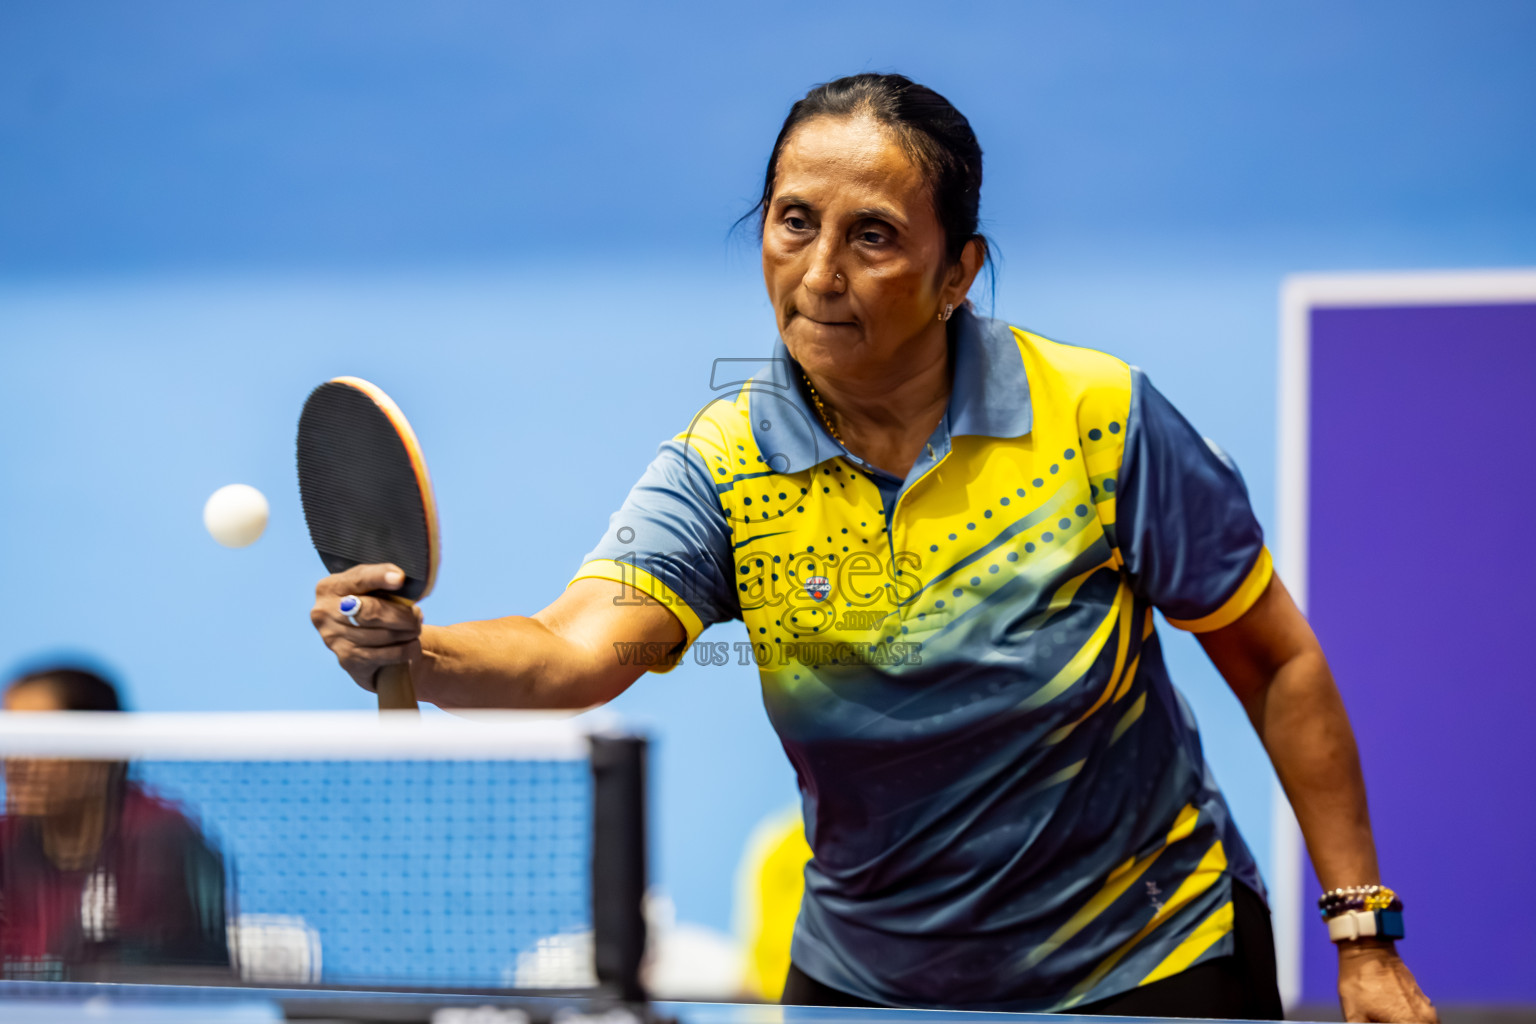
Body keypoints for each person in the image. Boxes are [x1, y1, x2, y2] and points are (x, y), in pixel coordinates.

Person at [309, 74, 1435, 1020]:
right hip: (873, 979)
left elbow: (1276, 660)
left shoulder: (1098, 419)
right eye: (795, 220)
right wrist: (422, 651)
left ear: (958, 274)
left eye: (876, 237)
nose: (819, 273)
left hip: (1143, 967)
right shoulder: (725, 464)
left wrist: (1364, 937)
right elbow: (573, 649)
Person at [0, 666, 230, 981]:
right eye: (10, 736)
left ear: (100, 748)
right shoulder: (5, 840)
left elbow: (165, 975)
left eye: (39, 738)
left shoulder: (160, 838)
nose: (16, 759)